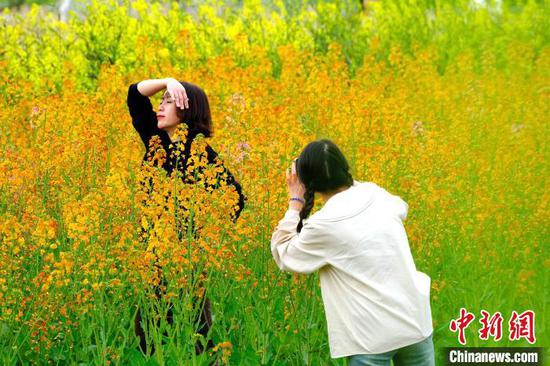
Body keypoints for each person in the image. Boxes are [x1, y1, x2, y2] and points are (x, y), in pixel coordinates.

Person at [270, 139, 435, 366]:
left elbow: (285, 254)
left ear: (308, 182)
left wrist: (295, 202)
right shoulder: (376, 194)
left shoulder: (324, 224)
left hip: (371, 337)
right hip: (414, 321)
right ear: (343, 168)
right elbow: (401, 207)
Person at [126, 77, 246, 358]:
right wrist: (168, 81)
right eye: (161, 100)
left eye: (168, 101)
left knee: (197, 341)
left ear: (186, 110)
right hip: (154, 261)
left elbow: (236, 198)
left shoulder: (201, 152)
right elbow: (135, 96)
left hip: (187, 265)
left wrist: (203, 233)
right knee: (147, 339)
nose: (159, 106)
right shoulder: (155, 140)